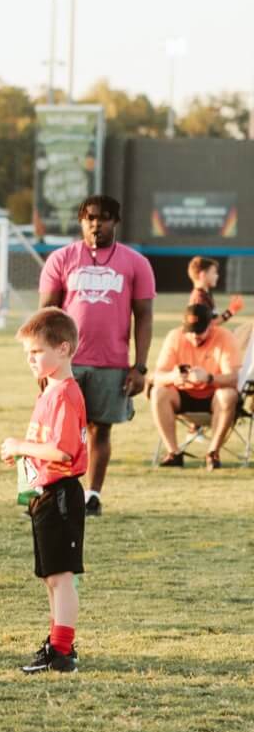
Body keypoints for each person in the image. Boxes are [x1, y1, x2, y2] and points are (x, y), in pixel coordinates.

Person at [38, 195, 155, 517]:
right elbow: (46, 313)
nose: (95, 224)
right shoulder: (62, 258)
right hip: (66, 362)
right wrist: (42, 360)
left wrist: (140, 366)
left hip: (112, 362)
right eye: (89, 218)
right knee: (57, 430)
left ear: (115, 221)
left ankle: (91, 495)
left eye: (103, 218)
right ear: (81, 221)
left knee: (100, 430)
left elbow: (144, 315)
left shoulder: (135, 263)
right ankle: (50, 495)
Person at [1, 309, 88, 674]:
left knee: (61, 576)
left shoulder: (65, 394)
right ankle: (56, 642)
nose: (30, 359)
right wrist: (24, 455)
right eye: (28, 353)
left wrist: (20, 446)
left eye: (37, 351)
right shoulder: (49, 390)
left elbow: (63, 451)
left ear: (63, 349)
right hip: (44, 494)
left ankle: (62, 652)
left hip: (62, 493)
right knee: (50, 576)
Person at [149, 302, 241, 470]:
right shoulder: (174, 337)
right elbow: (157, 375)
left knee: (228, 395)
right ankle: (174, 453)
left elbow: (235, 378)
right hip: (182, 393)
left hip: (214, 397)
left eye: (199, 331)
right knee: (158, 392)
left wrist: (209, 378)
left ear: (211, 325)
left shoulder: (225, 337)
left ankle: (213, 453)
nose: (194, 336)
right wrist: (174, 376)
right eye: (190, 331)